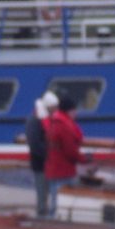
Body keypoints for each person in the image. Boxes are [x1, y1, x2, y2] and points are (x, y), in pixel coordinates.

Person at [40, 89, 86, 217]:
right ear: (69, 111)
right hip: (63, 170)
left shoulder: (54, 122)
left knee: (54, 198)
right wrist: (84, 159)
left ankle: (51, 220)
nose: (76, 113)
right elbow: (70, 150)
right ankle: (55, 224)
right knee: (61, 201)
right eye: (74, 110)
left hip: (53, 168)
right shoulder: (64, 125)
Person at [23, 92, 55, 215]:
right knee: (42, 193)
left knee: (48, 192)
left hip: (47, 164)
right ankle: (42, 215)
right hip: (41, 164)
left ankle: (46, 214)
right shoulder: (34, 121)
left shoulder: (43, 120)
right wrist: (49, 156)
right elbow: (35, 144)